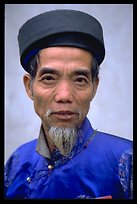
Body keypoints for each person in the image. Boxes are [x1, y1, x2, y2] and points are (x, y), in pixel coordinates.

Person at [4, 9, 133, 199]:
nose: (64, 95)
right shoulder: (17, 163)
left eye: (79, 79)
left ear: (94, 86)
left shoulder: (126, 160)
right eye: (48, 78)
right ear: (29, 86)